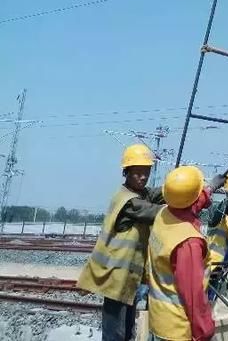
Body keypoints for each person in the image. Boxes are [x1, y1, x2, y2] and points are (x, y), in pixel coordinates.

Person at [77, 144, 164, 341]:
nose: (143, 177)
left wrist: (196, 186)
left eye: (147, 172)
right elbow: (154, 212)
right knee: (115, 334)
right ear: (126, 173)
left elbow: (159, 193)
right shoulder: (128, 201)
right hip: (116, 277)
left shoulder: (140, 194)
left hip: (128, 280)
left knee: (126, 332)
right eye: (138, 173)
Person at [147, 165, 216, 341]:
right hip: (178, 329)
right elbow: (193, 295)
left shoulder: (163, 215)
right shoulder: (188, 242)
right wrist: (204, 331)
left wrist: (209, 190)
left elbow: (187, 205)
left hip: (159, 320)